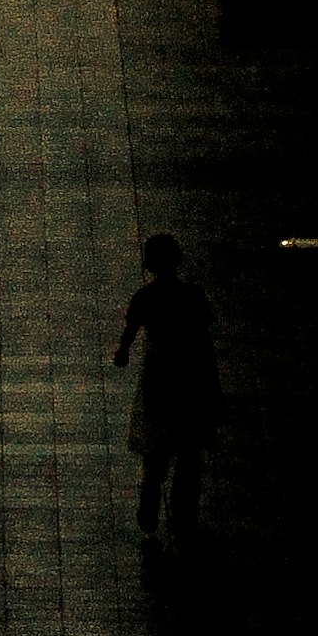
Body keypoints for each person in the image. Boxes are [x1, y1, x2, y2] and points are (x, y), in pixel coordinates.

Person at [111, 230, 222, 542]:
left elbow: (131, 328)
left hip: (159, 374)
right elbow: (204, 333)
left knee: (157, 443)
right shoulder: (192, 295)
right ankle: (183, 512)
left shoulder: (145, 297)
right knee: (189, 448)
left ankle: (150, 498)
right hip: (190, 373)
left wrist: (123, 351)